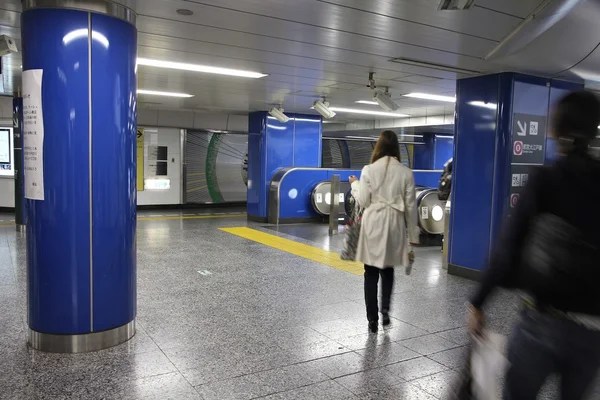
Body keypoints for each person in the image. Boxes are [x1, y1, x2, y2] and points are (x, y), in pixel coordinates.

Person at [467, 91, 600, 400]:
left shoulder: (546, 180)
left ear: (554, 130)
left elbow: (508, 246)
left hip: (542, 321)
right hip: (593, 330)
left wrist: (478, 301)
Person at [349, 130, 419, 333]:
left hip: (373, 222)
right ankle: (386, 311)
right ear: (396, 147)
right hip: (394, 224)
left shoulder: (368, 169)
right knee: (388, 271)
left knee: (370, 273)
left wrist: (355, 185)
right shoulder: (406, 172)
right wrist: (413, 237)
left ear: (378, 146)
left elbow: (364, 200)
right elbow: (411, 207)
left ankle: (372, 320)